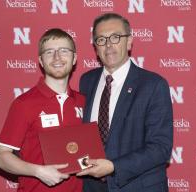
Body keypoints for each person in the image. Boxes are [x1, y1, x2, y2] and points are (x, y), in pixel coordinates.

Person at [77, 13, 173, 192]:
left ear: (129, 41)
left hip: (138, 186)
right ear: (95, 47)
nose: (108, 45)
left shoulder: (153, 85)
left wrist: (114, 166)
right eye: (101, 40)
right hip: (92, 187)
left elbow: (160, 148)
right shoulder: (86, 81)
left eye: (115, 37)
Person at [0, 28, 85, 192]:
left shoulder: (83, 101)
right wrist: (38, 171)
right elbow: (2, 157)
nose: (57, 57)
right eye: (49, 52)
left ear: (74, 58)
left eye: (64, 51)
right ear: (41, 61)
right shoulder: (24, 104)